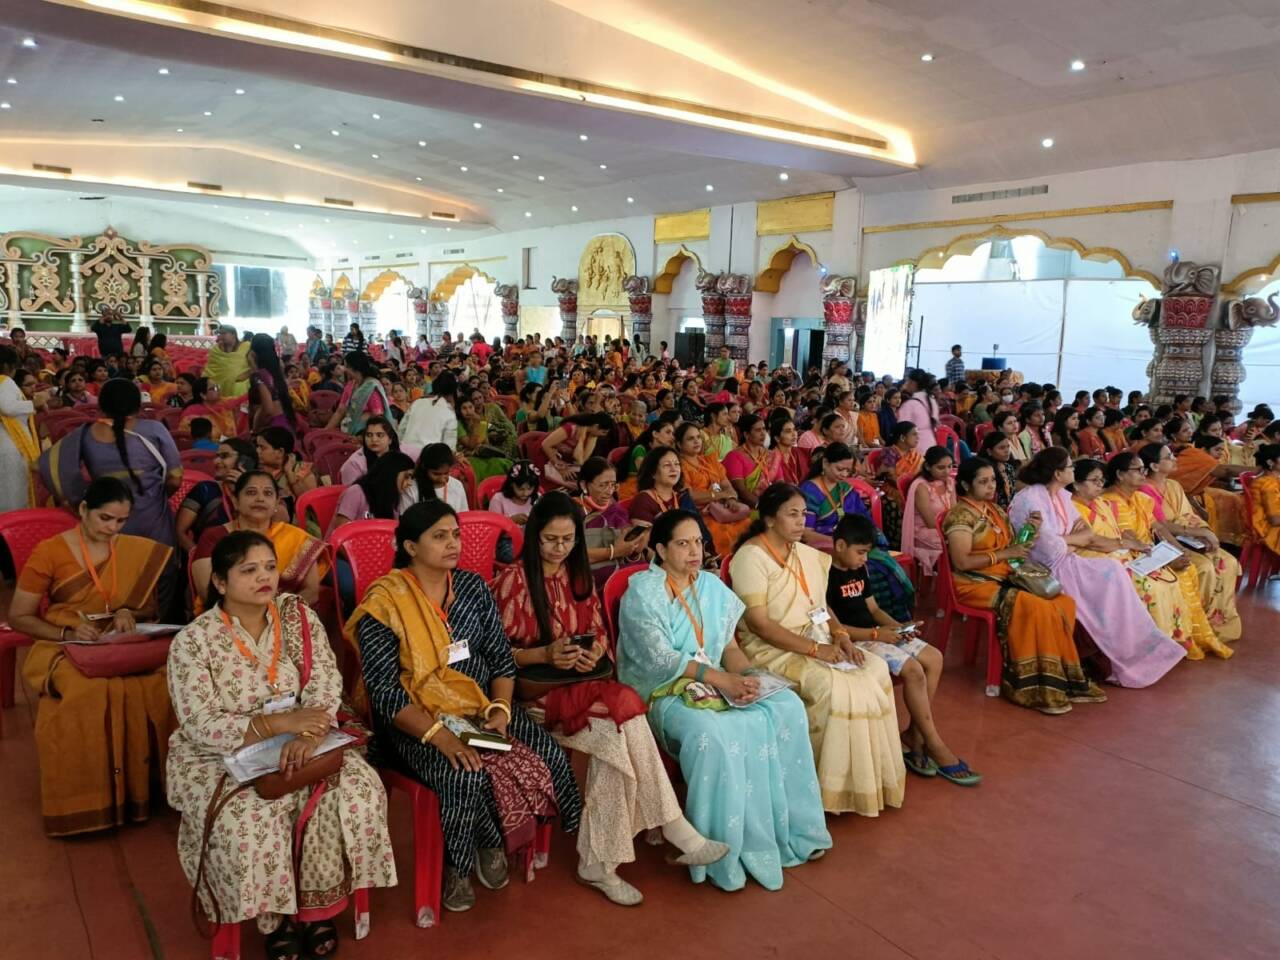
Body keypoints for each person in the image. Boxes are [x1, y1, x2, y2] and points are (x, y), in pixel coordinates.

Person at [492, 495, 728, 904]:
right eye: (550, 539)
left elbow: (600, 634)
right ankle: (664, 833)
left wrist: (593, 652)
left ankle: (602, 862)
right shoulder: (513, 581)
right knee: (623, 723)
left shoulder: (578, 576)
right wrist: (544, 655)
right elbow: (494, 655)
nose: (560, 548)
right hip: (532, 697)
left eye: (568, 539)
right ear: (533, 537)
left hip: (581, 687)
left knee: (617, 738)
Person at [349, 501, 583, 912]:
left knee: (546, 752)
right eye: (439, 536)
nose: (453, 543)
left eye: (456, 534)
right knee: (463, 773)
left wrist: (501, 710)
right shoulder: (385, 603)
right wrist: (440, 737)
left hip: (478, 704)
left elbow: (501, 659)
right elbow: (385, 692)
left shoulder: (473, 588)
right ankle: (458, 864)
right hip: (415, 718)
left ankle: (500, 836)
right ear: (410, 547)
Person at [169, 532, 395, 955]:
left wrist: (308, 734)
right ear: (220, 581)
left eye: (270, 568)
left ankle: (316, 909)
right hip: (221, 754)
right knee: (248, 817)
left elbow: (325, 681)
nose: (264, 577)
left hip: (305, 739)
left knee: (357, 792)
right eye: (249, 570)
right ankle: (274, 920)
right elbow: (199, 723)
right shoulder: (194, 641)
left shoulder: (296, 616)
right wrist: (278, 723)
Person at [617, 508, 832, 890]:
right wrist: (723, 680)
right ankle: (718, 849)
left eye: (698, 542)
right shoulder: (643, 592)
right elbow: (661, 660)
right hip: (666, 691)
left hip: (718, 680)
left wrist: (748, 678)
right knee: (713, 735)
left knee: (786, 707)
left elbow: (729, 648)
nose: (694, 552)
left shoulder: (711, 587)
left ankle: (793, 829)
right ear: (661, 550)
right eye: (682, 544)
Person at [729, 483, 906, 815]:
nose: (801, 521)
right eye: (792, 514)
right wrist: (815, 650)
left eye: (804, 514)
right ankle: (822, 789)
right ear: (769, 518)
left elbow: (820, 606)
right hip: (772, 649)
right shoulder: (751, 557)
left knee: (874, 669)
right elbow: (759, 625)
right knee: (833, 687)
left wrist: (839, 635)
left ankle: (864, 783)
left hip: (816, 638)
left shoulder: (804, 554)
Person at [11, 477, 175, 834]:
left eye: (121, 521)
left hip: (121, 644)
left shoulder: (132, 549)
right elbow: (19, 616)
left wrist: (128, 612)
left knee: (161, 685)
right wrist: (67, 633)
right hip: (63, 642)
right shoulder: (50, 552)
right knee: (89, 692)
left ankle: (145, 794)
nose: (113, 528)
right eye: (105, 518)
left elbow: (149, 610)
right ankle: (87, 801)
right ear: (84, 509)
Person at [941, 459, 1110, 714]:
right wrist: (1004, 554)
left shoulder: (995, 510)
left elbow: (1016, 549)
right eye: (983, 482)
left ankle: (1065, 679)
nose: (991, 486)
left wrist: (1031, 529)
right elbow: (962, 562)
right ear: (965, 485)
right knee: (1036, 607)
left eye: (993, 480)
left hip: (1004, 575)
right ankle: (1033, 686)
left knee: (1062, 602)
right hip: (974, 583)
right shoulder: (960, 515)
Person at [1008, 448, 1187, 686]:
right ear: (1057, 473)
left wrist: (1067, 540)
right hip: (1045, 568)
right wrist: (1073, 540)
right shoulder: (1030, 499)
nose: (1073, 469)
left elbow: (1087, 534)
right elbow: (1049, 550)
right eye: (1070, 466)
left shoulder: (1062, 495)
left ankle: (1131, 651)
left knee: (1114, 570)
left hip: (1068, 560)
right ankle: (1113, 654)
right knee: (1110, 576)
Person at [827, 514, 977, 785]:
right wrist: (878, 634)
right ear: (839, 546)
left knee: (934, 657)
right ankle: (933, 742)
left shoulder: (859, 568)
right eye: (860, 552)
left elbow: (874, 609)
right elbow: (834, 628)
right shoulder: (826, 575)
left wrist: (899, 627)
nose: (864, 558)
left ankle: (914, 735)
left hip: (877, 632)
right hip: (858, 640)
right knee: (914, 671)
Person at [1069, 455, 1218, 661]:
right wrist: (1129, 544)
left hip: (1119, 552)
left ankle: (1173, 640)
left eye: (1101, 480)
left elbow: (1132, 531)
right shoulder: (1074, 507)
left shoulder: (1101, 503)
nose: (1100, 485)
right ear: (1076, 484)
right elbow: (1091, 541)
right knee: (1152, 586)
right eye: (1094, 480)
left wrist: (1171, 551)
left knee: (1170, 579)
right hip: (1094, 562)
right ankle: (1148, 650)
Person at [40, 379, 182, 547]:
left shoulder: (84, 434)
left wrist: (79, 501)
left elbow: (48, 465)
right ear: (138, 405)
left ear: (101, 405)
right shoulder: (154, 429)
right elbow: (175, 479)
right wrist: (155, 497)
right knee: (157, 562)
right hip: (153, 520)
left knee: (113, 563)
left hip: (107, 522)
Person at [1135, 442, 1243, 641]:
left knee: (1228, 562)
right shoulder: (1143, 490)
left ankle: (1219, 623)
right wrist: (1194, 532)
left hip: (1189, 537)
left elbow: (1187, 515)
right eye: (1168, 457)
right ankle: (1197, 625)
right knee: (1204, 568)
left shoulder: (1174, 485)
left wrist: (1203, 533)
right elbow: (1158, 525)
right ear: (1154, 466)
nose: (1175, 459)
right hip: (1164, 541)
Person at [192, 470, 326, 612]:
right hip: (227, 616)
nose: (260, 499)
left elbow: (312, 592)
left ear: (277, 503)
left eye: (268, 493)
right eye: (251, 492)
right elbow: (207, 593)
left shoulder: (297, 538)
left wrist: (278, 614)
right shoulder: (215, 537)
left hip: (285, 615)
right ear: (236, 501)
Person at [675, 421, 751, 556]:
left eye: (698, 437)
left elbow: (727, 486)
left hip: (723, 508)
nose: (696, 441)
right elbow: (690, 496)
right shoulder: (679, 467)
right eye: (690, 439)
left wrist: (731, 499)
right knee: (723, 533)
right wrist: (721, 495)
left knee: (748, 525)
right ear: (679, 444)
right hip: (701, 514)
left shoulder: (709, 461)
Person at [175, 438, 263, 552]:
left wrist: (245, 489)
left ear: (244, 461)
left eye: (224, 456)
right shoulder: (205, 490)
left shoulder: (259, 496)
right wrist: (198, 555)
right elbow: (179, 531)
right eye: (216, 456)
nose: (216, 461)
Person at [575, 457, 648, 588]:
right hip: (587, 577)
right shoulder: (571, 510)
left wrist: (635, 549)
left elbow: (628, 554)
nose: (609, 491)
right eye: (603, 485)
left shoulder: (617, 511)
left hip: (620, 571)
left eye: (613, 485)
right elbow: (571, 554)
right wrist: (614, 552)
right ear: (584, 485)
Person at [1172, 433, 1250, 546]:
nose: (1220, 453)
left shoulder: (1206, 461)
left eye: (1222, 450)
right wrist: (1258, 471)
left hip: (1193, 496)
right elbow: (1225, 470)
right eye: (1217, 449)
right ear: (1204, 449)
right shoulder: (1196, 455)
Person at [901, 446, 955, 577]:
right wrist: (953, 530)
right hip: (925, 529)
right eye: (941, 468)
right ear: (928, 467)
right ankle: (949, 579)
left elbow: (955, 511)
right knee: (956, 542)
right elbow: (931, 522)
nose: (947, 472)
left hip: (945, 527)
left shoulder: (949, 482)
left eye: (950, 466)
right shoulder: (921, 487)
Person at [0, 344, 42, 510]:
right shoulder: (5, 381)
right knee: (13, 492)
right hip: (9, 445)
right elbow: (8, 407)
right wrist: (34, 404)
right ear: (7, 366)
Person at [339, 415, 420, 487]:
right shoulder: (354, 464)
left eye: (380, 435)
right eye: (369, 435)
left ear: (390, 439)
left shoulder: (404, 451)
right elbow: (351, 493)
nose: (374, 439)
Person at [254, 426, 317, 517]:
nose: (257, 451)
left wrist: (289, 473)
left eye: (262, 448)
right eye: (257, 447)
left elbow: (310, 504)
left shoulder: (301, 469)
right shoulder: (259, 471)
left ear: (280, 452)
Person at [539, 412, 614, 487]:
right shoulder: (571, 428)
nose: (604, 435)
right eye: (603, 432)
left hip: (563, 462)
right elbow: (545, 445)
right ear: (596, 426)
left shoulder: (592, 436)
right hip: (545, 456)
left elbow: (581, 461)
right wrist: (561, 468)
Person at [327, 352, 392, 436]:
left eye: (346, 366)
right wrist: (325, 431)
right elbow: (340, 411)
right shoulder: (350, 385)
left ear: (353, 367)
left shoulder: (371, 387)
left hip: (366, 434)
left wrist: (362, 434)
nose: (344, 369)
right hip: (348, 429)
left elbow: (378, 417)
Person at [246, 332, 297, 433]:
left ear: (253, 353)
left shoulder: (259, 376)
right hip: (284, 423)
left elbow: (268, 408)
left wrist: (255, 428)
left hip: (271, 429)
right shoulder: (276, 370)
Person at [398, 371, 459, 448]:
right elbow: (450, 445)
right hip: (430, 452)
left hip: (406, 448)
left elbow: (401, 429)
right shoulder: (448, 411)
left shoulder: (418, 402)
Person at [412, 442, 469, 512]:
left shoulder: (457, 485)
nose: (442, 479)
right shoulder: (412, 489)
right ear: (424, 468)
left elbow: (463, 515)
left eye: (446, 473)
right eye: (436, 474)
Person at [1248, 443, 1280, 557]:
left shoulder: (1269, 480)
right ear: (1270, 462)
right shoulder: (1268, 484)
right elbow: (1274, 520)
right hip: (1267, 529)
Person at [202, 324, 251, 398]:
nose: (221, 336)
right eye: (220, 334)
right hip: (217, 380)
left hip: (241, 382)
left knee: (239, 386)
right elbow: (211, 368)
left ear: (233, 334)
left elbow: (253, 366)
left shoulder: (246, 347)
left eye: (224, 333)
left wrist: (243, 376)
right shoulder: (216, 349)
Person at [898, 370, 939, 452]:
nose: (906, 384)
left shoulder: (909, 404)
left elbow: (901, 431)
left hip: (916, 450)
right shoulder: (932, 401)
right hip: (932, 446)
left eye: (908, 381)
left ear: (913, 383)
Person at [487, 459, 539, 524]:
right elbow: (492, 525)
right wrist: (511, 520)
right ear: (511, 484)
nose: (525, 493)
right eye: (520, 489)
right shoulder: (498, 500)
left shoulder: (537, 498)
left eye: (529, 489)